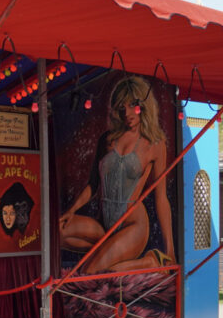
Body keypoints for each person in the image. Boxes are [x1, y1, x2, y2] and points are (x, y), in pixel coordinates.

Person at [58, 76, 175, 274]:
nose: (127, 113)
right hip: (104, 225)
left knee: (89, 272)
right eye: (122, 107)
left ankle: (151, 263)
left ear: (144, 106)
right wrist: (72, 210)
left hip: (133, 225)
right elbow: (93, 185)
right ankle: (108, 253)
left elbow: (161, 198)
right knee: (57, 232)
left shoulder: (155, 144)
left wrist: (170, 249)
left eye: (132, 105)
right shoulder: (107, 140)